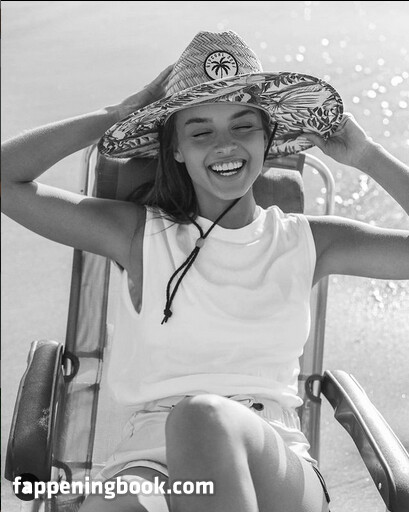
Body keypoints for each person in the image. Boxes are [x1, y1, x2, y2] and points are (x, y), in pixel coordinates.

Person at [2, 29, 408, 512]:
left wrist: (367, 156)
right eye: (200, 132)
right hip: (149, 463)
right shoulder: (139, 235)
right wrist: (114, 115)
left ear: (267, 137)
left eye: (243, 126)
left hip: (274, 467)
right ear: (176, 148)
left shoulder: (309, 241)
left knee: (202, 418)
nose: (225, 146)